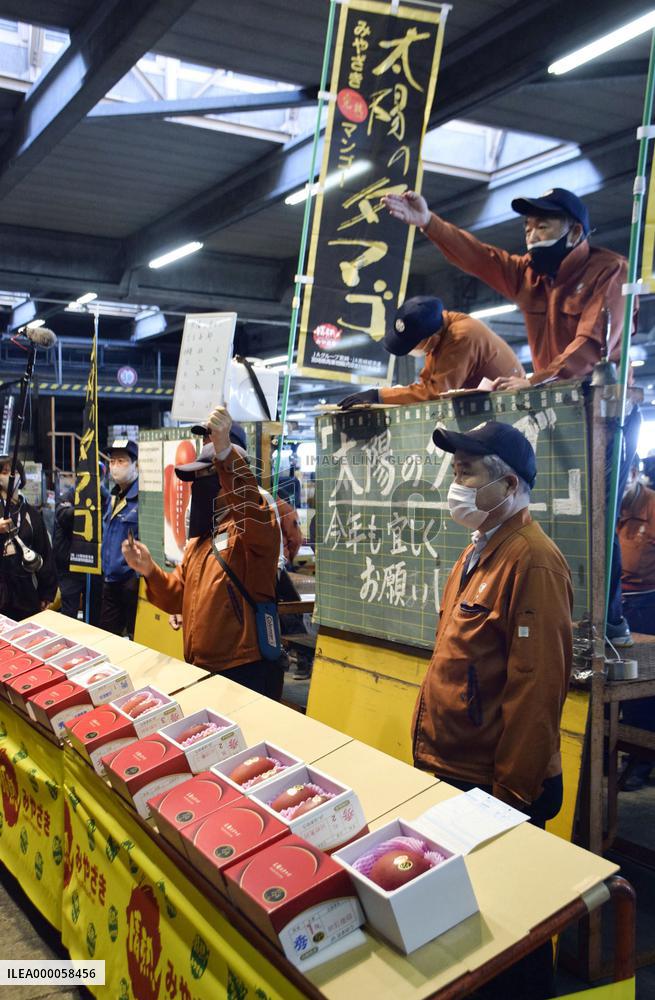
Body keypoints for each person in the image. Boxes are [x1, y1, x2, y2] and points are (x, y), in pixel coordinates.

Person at [384, 186, 639, 647]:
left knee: (598, 517)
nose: (530, 234)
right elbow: (481, 258)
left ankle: (610, 622)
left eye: (542, 224)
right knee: (557, 513)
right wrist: (428, 222)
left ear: (575, 230)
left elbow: (593, 344)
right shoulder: (530, 275)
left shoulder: (609, 270)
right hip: (555, 412)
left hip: (601, 412)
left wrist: (539, 379)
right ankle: (559, 615)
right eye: (526, 226)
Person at [412, 422, 573, 1000]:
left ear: (506, 483)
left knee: (515, 938)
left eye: (464, 473)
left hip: (500, 786)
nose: (453, 484)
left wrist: (509, 799)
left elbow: (536, 691)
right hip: (462, 774)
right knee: (478, 932)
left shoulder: (534, 562)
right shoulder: (480, 550)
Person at [121, 406, 284, 699]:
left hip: (245, 670)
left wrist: (224, 454)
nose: (198, 486)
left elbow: (247, 502)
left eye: (207, 475)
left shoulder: (253, 525)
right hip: (202, 669)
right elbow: (177, 596)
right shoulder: (201, 540)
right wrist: (149, 570)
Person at [338, 295, 524, 407]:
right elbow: (427, 383)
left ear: (431, 338)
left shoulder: (461, 336)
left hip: (511, 405)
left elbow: (436, 392)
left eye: (413, 344)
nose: (412, 350)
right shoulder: (439, 330)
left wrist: (379, 396)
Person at [616, 457, 655, 790]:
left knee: (641, 693)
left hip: (646, 607)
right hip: (612, 607)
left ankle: (641, 761)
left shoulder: (652, 507)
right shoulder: (607, 504)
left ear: (632, 473)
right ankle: (605, 754)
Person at [0, 457, 57, 620]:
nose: (10, 476)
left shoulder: (32, 514)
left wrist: (47, 592)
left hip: (26, 592)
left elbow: (45, 553)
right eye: (4, 472)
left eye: (15, 472)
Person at [54, 476, 110, 621]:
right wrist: (83, 510)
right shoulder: (68, 497)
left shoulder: (104, 498)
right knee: (69, 611)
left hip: (94, 564)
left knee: (94, 611)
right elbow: (63, 515)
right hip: (70, 565)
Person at [99, 439, 139, 636]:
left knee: (135, 637)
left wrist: (137, 577)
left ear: (136, 465)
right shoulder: (113, 496)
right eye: (112, 461)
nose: (115, 466)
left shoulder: (143, 499)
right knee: (107, 637)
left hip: (131, 584)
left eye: (121, 461)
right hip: (110, 580)